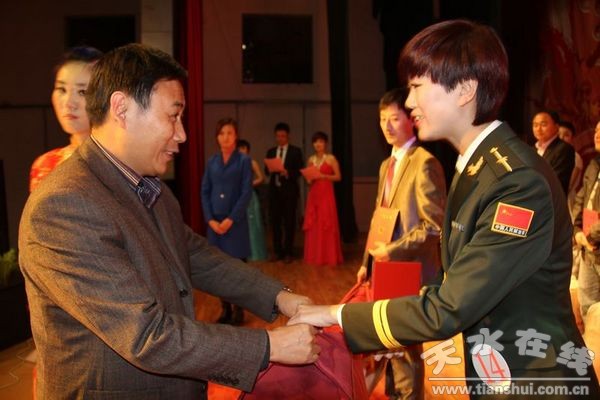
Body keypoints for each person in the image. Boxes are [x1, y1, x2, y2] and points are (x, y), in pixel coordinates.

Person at [290, 19, 599, 397]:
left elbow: (451, 306)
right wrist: (389, 322)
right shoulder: (477, 168)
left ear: (465, 89)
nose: (409, 102)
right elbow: (455, 280)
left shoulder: (516, 183)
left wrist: (335, 315)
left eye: (417, 86)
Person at [19, 43, 320, 400]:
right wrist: (271, 346)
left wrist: (281, 298)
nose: (182, 135)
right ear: (122, 108)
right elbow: (146, 335)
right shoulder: (63, 205)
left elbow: (196, 256)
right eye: (173, 116)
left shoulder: (150, 187)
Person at [355, 88, 446, 399]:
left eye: (394, 118)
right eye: (382, 119)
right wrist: (367, 262)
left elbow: (432, 227)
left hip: (410, 271)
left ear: (411, 120)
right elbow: (380, 219)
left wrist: (390, 251)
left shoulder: (424, 163)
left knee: (406, 348)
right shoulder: (387, 165)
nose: (387, 125)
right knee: (388, 341)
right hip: (385, 269)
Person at [29, 46, 103, 192]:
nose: (69, 103)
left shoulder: (122, 164)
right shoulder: (45, 165)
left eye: (82, 92)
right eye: (62, 89)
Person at [201, 118, 252, 325]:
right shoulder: (212, 161)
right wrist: (210, 220)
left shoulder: (243, 161)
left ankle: (239, 310)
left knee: (238, 271)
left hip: (235, 224)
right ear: (217, 137)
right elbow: (205, 191)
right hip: (215, 225)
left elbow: (246, 192)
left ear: (236, 136)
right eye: (222, 133)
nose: (226, 137)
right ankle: (226, 310)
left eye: (230, 133)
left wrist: (231, 219)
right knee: (219, 271)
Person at [572, 120, 600, 324]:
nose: (597, 135)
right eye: (597, 130)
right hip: (587, 247)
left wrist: (590, 237)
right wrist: (576, 231)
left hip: (594, 242)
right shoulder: (594, 164)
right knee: (587, 308)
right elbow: (580, 200)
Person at [302, 131, 343, 266]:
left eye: (321, 141)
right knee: (314, 223)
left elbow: (338, 177)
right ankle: (315, 255)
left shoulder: (331, 158)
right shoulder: (310, 159)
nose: (318, 144)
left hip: (326, 193)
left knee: (326, 222)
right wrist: (309, 178)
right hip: (314, 194)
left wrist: (324, 176)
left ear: (326, 143)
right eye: (315, 142)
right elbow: (309, 179)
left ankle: (328, 256)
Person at [265, 122, 304, 263]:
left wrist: (288, 172)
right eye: (278, 136)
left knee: (289, 223)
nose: (280, 138)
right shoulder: (271, 151)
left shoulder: (295, 151)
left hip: (289, 193)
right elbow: (266, 171)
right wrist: (271, 168)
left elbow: (300, 170)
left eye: (283, 136)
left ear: (288, 136)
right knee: (275, 223)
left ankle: (288, 252)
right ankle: (277, 251)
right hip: (275, 192)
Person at [237, 139, 269, 262]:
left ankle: (255, 252)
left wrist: (250, 184)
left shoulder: (252, 162)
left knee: (253, 223)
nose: (241, 150)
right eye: (239, 148)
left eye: (243, 148)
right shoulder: (233, 163)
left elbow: (261, 178)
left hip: (250, 196)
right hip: (237, 196)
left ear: (248, 150)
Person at [532, 110, 575, 195]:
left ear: (556, 127)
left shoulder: (564, 149)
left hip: (550, 200)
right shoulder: (532, 149)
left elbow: (554, 181)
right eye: (535, 125)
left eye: (543, 125)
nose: (538, 129)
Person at [558, 120, 584, 212]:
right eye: (558, 134)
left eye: (566, 135)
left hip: (566, 199)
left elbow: (569, 185)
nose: (561, 138)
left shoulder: (575, 156)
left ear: (572, 138)